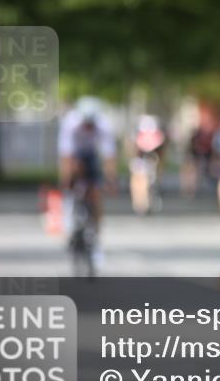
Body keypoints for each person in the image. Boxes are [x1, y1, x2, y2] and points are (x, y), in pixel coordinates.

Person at [57, 96, 117, 268]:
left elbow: (109, 157)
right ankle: (70, 223)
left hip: (91, 155)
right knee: (70, 182)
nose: (88, 127)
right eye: (86, 124)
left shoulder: (104, 125)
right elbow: (66, 157)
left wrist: (111, 180)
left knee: (96, 194)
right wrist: (66, 179)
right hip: (74, 154)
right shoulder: (70, 124)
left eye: (91, 125)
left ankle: (96, 240)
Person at [129, 114, 165, 215]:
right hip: (142, 161)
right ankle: (140, 204)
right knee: (139, 182)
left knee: (145, 181)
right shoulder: (139, 137)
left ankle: (143, 203)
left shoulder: (154, 138)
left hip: (150, 161)